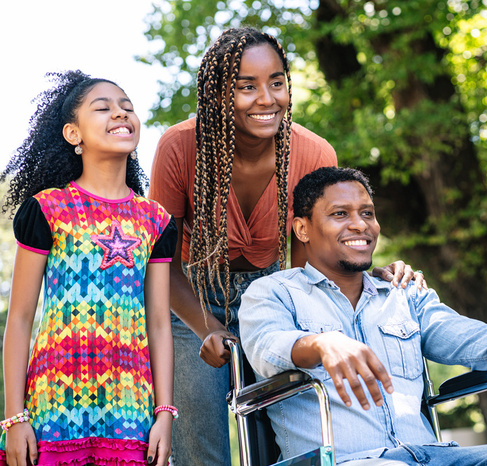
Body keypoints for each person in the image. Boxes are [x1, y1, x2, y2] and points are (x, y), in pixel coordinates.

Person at [148, 26, 424, 466]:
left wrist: (370, 275)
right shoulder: (179, 147)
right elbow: (158, 261)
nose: (267, 98)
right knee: (199, 441)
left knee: (290, 430)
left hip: (275, 296)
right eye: (246, 86)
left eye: (276, 82)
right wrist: (206, 327)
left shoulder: (313, 153)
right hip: (190, 297)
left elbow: (311, 266)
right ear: (219, 93)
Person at [239, 166, 487, 465]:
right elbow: (266, 346)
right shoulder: (273, 293)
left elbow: (467, 337)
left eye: (367, 213)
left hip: (431, 455)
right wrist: (322, 344)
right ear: (303, 229)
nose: (360, 225)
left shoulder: (402, 292)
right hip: (351, 460)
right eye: (340, 214)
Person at [0, 71, 178, 466]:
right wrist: (15, 418)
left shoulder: (156, 220)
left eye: (127, 107)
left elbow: (159, 324)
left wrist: (164, 413)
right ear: (72, 134)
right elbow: (21, 317)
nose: (121, 113)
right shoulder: (47, 209)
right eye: (104, 108)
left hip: (132, 411)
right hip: (52, 408)